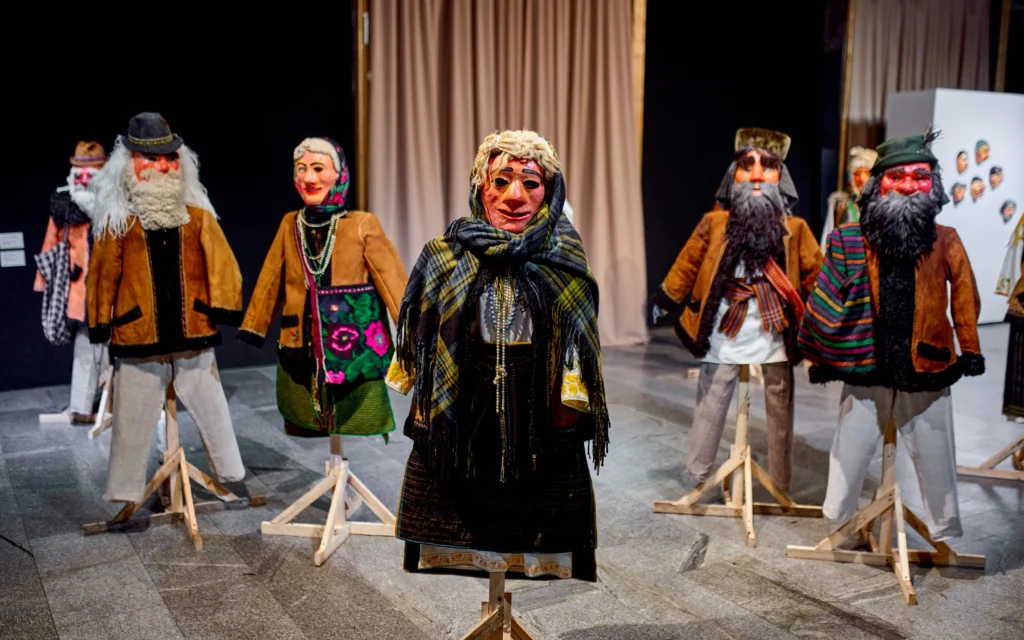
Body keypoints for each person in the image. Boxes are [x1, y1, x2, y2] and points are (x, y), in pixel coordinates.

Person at [387, 129, 608, 581]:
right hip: (463, 404)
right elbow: (424, 339)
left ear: (550, 191)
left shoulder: (563, 253)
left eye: (531, 183)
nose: (514, 196)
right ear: (480, 188)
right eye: (501, 181)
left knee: (537, 509)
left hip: (540, 410)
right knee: (462, 503)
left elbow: (578, 344)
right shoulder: (445, 254)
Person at [800, 131, 984, 540]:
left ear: (933, 184)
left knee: (935, 446)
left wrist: (970, 349)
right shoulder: (851, 239)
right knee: (852, 442)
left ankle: (943, 523)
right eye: (896, 176)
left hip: (928, 360)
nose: (907, 185)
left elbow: (965, 297)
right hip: (867, 360)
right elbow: (826, 297)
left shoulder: (946, 239)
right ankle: (839, 512)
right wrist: (825, 356)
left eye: (919, 177)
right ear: (878, 183)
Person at [651, 128, 823, 493]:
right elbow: (688, 262)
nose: (757, 174)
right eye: (748, 166)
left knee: (780, 404)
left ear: (780, 177)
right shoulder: (714, 223)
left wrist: (828, 314)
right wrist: (666, 298)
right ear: (734, 175)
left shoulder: (796, 229)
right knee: (711, 397)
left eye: (767, 167)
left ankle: (779, 481)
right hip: (724, 328)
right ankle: (699, 472)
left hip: (774, 330)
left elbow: (816, 275)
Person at [86, 112, 246, 503]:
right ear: (129, 163)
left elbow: (223, 262)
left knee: (210, 402)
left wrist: (223, 307)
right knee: (132, 412)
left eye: (170, 158)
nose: (162, 166)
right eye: (151, 158)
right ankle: (124, 488)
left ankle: (229, 470)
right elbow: (102, 275)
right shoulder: (118, 221)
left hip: (194, 328)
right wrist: (100, 321)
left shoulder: (197, 215)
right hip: (138, 332)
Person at [238, 138, 407, 438]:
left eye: (318, 168)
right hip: (300, 341)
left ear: (339, 174)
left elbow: (391, 280)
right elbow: (271, 278)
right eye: (301, 169)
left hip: (352, 344)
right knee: (303, 410)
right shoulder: (290, 224)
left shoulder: (361, 224)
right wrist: (254, 326)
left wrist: (412, 328)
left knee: (356, 412)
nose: (308, 178)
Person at [34, 141, 108, 423]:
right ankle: (81, 406)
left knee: (120, 350)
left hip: (112, 287)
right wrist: (43, 281)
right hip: (79, 288)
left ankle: (124, 405)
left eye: (90, 174)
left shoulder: (115, 203)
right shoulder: (64, 205)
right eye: (80, 174)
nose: (84, 179)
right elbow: (51, 242)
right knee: (85, 347)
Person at [821, 146, 877, 251]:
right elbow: (828, 235)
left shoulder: (880, 205)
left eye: (867, 173)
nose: (862, 179)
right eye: (857, 174)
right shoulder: (840, 203)